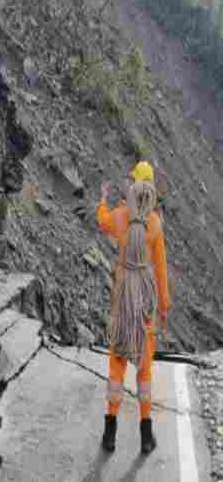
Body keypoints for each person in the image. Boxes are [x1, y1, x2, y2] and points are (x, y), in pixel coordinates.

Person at [97, 161, 169, 454]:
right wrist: (164, 305)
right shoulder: (154, 224)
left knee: (117, 363)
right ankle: (146, 435)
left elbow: (103, 222)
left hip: (122, 298)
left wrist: (103, 199)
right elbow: (161, 270)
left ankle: (110, 433)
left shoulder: (120, 216)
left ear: (134, 184)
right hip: (145, 304)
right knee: (143, 368)